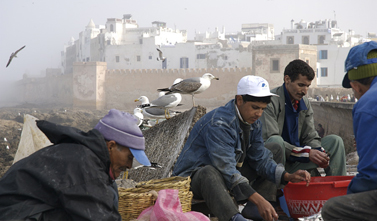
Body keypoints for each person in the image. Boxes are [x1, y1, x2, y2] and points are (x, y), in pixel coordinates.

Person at [172, 75, 311, 221]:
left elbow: (260, 159)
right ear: (239, 100)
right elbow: (226, 169)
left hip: (224, 173)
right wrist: (258, 199)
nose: (259, 114)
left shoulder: (254, 122)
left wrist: (287, 176)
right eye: (255, 107)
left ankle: (256, 209)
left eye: (263, 109)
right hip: (194, 182)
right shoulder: (219, 124)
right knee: (208, 172)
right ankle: (235, 217)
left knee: (275, 148)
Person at [0, 109, 151, 221]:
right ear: (111, 146)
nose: (130, 165)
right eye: (129, 157)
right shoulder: (84, 164)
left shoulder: (85, 156)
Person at [260, 59, 346, 178]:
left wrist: (320, 153)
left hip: (300, 158)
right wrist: (306, 153)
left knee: (335, 141)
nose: (305, 91)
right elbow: (271, 140)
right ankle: (277, 187)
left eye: (307, 86)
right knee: (276, 141)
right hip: (279, 162)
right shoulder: (270, 102)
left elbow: (310, 136)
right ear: (287, 79)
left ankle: (336, 186)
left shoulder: (304, 103)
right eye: (301, 85)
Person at [322, 41, 377, 220]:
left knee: (333, 208)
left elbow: (371, 176)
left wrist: (350, 195)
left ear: (355, 85)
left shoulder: (367, 105)